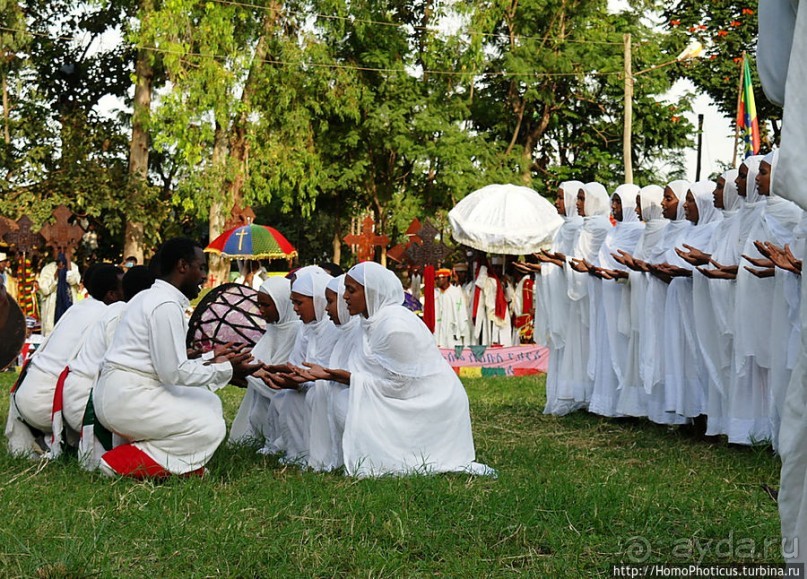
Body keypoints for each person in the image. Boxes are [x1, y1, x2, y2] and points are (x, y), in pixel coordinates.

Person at [301, 261, 491, 477]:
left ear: (372, 292)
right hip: (396, 396)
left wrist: (345, 378)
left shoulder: (394, 326)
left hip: (429, 403)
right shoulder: (368, 322)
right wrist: (335, 376)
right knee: (337, 398)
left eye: (351, 290)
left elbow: (404, 386)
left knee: (345, 405)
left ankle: (385, 460)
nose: (345, 296)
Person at [93, 238, 258, 478]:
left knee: (208, 402)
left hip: (122, 392)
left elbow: (166, 363)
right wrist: (227, 370)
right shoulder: (164, 304)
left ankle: (169, 465)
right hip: (128, 397)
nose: (204, 275)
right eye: (200, 267)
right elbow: (172, 372)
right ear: (182, 266)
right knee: (210, 427)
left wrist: (214, 361)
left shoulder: (149, 297)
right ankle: (119, 463)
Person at [6, 264, 124, 458]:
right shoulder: (107, 315)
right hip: (47, 403)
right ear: (111, 295)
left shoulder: (79, 306)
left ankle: (44, 436)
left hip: (25, 392)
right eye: (124, 286)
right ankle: (53, 439)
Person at [56, 266, 155, 465]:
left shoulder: (107, 308)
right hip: (84, 402)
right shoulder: (121, 313)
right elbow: (119, 366)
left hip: (72, 392)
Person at [587, 184, 643, 418]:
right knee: (607, 345)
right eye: (614, 201)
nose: (615, 207)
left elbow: (635, 265)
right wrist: (592, 269)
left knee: (623, 346)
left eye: (620, 202)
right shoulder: (613, 231)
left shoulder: (638, 231)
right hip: (606, 295)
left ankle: (629, 406)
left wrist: (620, 274)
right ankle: (608, 403)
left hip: (625, 295)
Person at [228, 276, 302, 448]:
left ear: (284, 303)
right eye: (259, 305)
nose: (261, 310)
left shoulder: (296, 332)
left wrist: (250, 371)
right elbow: (258, 364)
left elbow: (278, 380)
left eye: (266, 305)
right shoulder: (273, 330)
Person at [536, 181, 584, 415]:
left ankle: (573, 396)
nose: (556, 202)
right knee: (561, 348)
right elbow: (559, 260)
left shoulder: (578, 227)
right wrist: (541, 267)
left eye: (560, 197)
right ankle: (559, 396)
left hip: (570, 296)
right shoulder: (562, 227)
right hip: (559, 292)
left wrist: (554, 262)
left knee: (573, 344)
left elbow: (576, 262)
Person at [306, 274, 362, 471]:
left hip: (369, 399)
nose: (326, 309)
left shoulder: (361, 332)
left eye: (330, 302)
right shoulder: (345, 332)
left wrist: (329, 376)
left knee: (334, 398)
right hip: (350, 389)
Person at [38, 253, 81, 336]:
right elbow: (45, 289)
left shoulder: (74, 267)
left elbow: (73, 281)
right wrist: (56, 274)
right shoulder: (48, 269)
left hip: (69, 308)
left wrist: (68, 265)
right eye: (57, 249)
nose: (61, 252)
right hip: (52, 312)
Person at [433, 267, 471, 348]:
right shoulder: (435, 293)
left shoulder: (456, 292)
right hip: (440, 332)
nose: (437, 281)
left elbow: (461, 313)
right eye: (436, 278)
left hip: (453, 331)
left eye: (441, 278)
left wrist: (461, 332)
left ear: (447, 278)